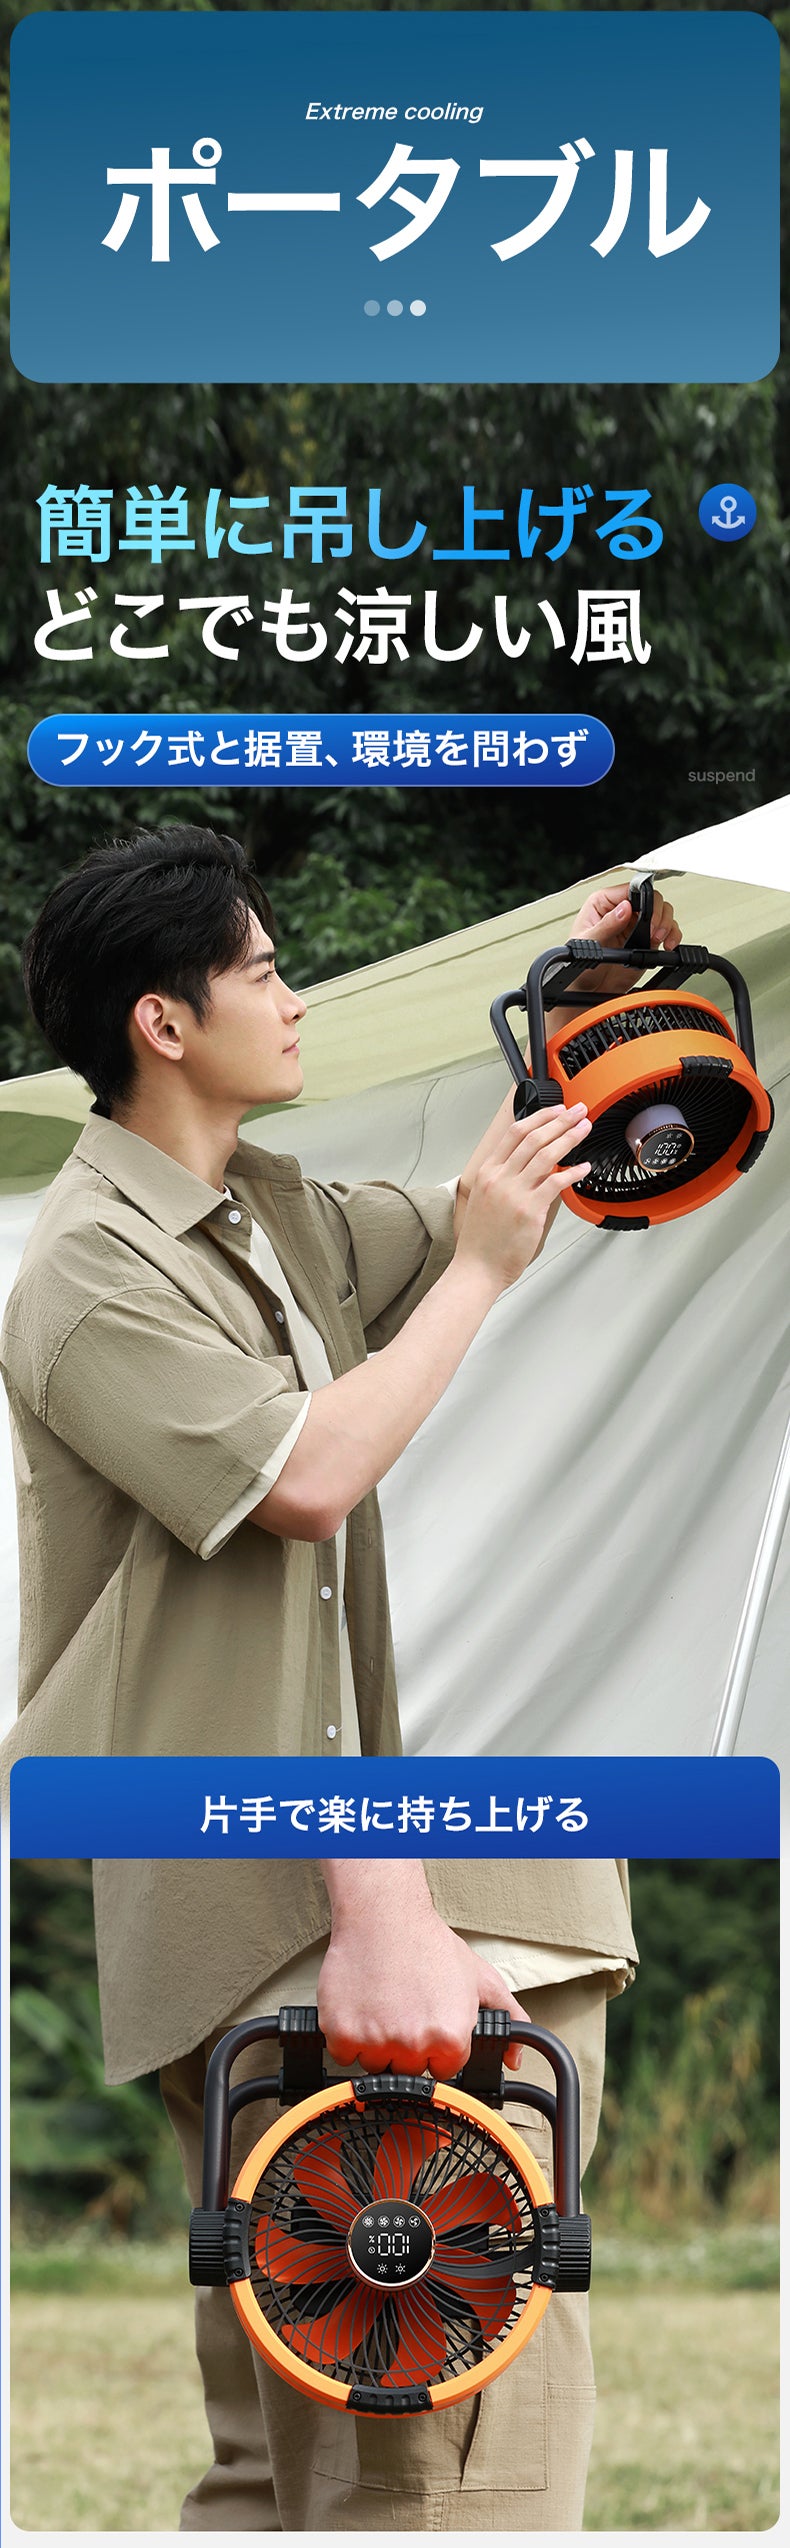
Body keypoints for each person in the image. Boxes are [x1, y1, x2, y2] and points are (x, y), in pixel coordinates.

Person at [1, 823, 670, 2525]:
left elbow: (498, 1201)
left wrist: (589, 1004)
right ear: (164, 1022)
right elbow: (304, 1477)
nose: (294, 999)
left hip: (316, 1896)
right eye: (265, 970)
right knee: (435, 2466)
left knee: (292, 2467)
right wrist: (379, 1898)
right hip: (334, 1904)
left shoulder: (268, 1210)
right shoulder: (90, 1274)